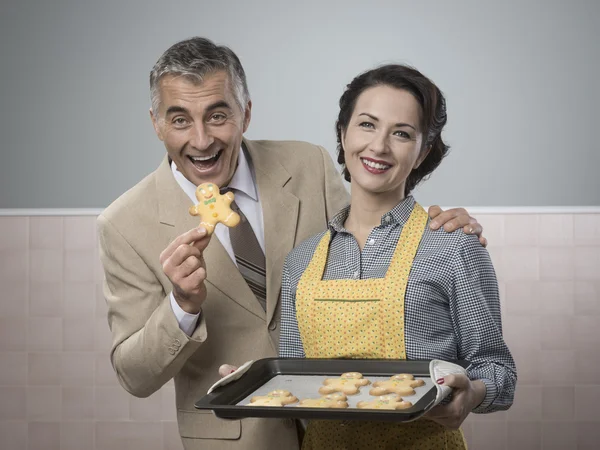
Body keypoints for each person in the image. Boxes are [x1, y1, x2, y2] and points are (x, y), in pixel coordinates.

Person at [97, 37, 488, 450]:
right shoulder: (123, 225)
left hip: (350, 430)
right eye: (179, 120)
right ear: (156, 123)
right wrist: (181, 306)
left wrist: (439, 231)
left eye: (217, 115)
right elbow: (134, 377)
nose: (201, 139)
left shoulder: (309, 165)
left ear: (245, 114)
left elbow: (371, 252)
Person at [279, 64, 516, 449]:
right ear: (343, 133)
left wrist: (472, 393)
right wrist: (246, 383)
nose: (379, 146)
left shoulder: (455, 246)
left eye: (402, 134)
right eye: (367, 125)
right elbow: (290, 379)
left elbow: (499, 370)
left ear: (423, 152)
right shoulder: (301, 261)